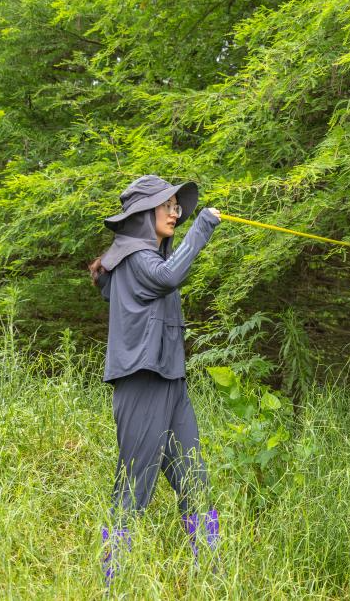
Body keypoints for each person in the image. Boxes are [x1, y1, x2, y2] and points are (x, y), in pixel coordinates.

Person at [89, 175, 222, 583]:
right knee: (133, 488)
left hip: (171, 381)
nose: (176, 211)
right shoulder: (133, 258)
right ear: (143, 214)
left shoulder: (149, 257)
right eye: (167, 205)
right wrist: (203, 226)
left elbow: (167, 272)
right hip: (142, 381)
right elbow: (168, 277)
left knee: (195, 480)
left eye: (177, 206)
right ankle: (112, 581)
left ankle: (212, 576)